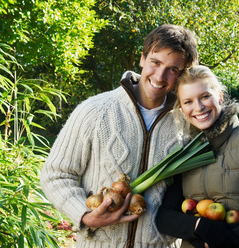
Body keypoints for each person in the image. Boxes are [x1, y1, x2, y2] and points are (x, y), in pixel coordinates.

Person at [40, 24, 199, 248]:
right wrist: (85, 215)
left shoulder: (188, 123)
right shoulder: (95, 110)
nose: (160, 76)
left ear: (182, 74)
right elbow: (56, 174)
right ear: (143, 58)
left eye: (173, 69)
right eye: (155, 62)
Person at [156, 65, 239, 248]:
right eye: (188, 101)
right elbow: (165, 217)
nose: (198, 107)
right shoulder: (187, 151)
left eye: (205, 97)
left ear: (220, 97)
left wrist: (219, 241)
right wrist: (201, 227)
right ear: (182, 108)